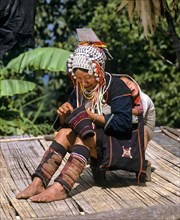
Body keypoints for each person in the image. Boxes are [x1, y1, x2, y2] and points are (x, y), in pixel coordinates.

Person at [16, 29, 133, 202]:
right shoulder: (79, 91)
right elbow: (69, 124)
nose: (83, 84)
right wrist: (64, 115)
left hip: (116, 144)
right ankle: (38, 182)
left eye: (87, 79)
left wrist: (91, 116)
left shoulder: (116, 87)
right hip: (93, 140)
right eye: (78, 80)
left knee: (84, 135)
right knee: (64, 133)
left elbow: (124, 123)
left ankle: (62, 187)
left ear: (98, 72)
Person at [119, 75, 156, 150]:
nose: (130, 87)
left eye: (130, 83)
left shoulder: (144, 99)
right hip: (130, 126)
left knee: (143, 131)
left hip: (144, 128)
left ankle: (140, 158)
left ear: (135, 83)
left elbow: (138, 119)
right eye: (125, 86)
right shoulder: (122, 99)